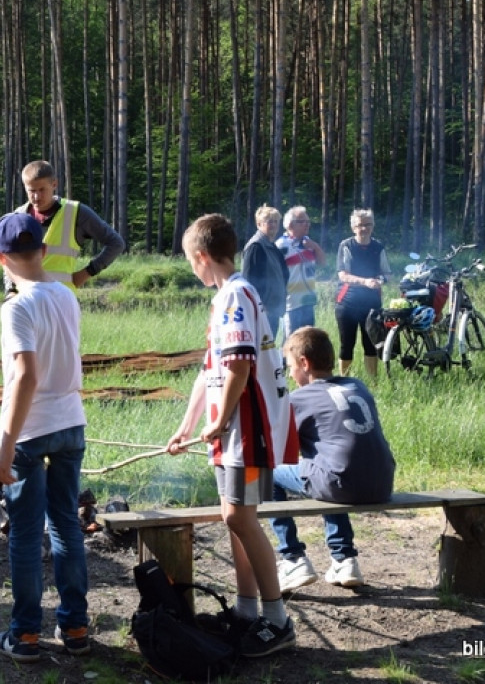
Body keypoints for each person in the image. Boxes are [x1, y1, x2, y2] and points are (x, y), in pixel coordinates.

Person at [166, 213, 298, 658]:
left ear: (203, 256)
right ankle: (245, 611)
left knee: (241, 518)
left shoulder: (237, 296)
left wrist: (220, 422)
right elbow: (211, 372)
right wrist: (186, 427)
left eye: (190, 260)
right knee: (233, 517)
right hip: (230, 430)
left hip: (249, 428)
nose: (191, 268)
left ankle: (277, 620)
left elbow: (240, 365)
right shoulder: (223, 297)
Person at [0, 213, 90, 663]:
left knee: (27, 535)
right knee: (67, 524)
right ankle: (75, 625)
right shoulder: (66, 296)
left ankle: (26, 633)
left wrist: (5, 446)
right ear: (44, 251)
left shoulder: (16, 308)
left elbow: (26, 377)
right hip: (71, 423)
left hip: (32, 431)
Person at [270, 326, 396, 593]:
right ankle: (344, 559)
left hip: (342, 484)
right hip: (383, 483)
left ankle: (292, 557)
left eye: (291, 366)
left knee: (267, 470)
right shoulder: (357, 385)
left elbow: (276, 448)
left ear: (304, 363)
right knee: (324, 464)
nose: (291, 374)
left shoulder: (299, 398)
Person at [10, 160, 124, 291]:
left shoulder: (75, 212)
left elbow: (116, 243)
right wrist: (10, 291)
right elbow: (8, 258)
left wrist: (87, 272)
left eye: (42, 190)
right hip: (25, 300)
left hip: (61, 301)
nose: (36, 196)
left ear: (54, 184)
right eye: (32, 191)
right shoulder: (17, 217)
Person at [334, 208, 391, 378]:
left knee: (371, 344)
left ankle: (373, 383)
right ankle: (343, 381)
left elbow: (387, 273)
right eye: (360, 225)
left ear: (373, 226)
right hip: (347, 302)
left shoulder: (378, 247)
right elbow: (342, 274)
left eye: (368, 225)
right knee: (347, 344)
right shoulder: (346, 245)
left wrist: (380, 280)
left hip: (372, 303)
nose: (364, 229)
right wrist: (365, 281)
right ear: (353, 228)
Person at [276, 206, 326, 337]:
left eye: (308, 222)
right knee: (291, 343)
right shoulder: (281, 245)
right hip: (291, 303)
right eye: (302, 221)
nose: (307, 225)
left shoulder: (307, 242)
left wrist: (314, 246)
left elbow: (323, 263)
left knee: (307, 341)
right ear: (290, 224)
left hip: (308, 302)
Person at [241, 205, 289, 341]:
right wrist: (260, 306)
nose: (273, 225)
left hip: (273, 309)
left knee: (268, 349)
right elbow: (248, 280)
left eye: (275, 221)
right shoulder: (256, 247)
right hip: (263, 311)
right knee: (262, 351)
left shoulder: (270, 245)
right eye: (269, 221)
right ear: (259, 224)